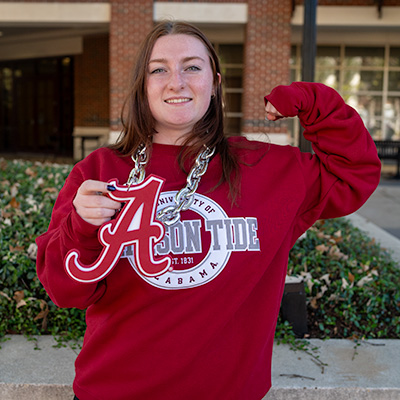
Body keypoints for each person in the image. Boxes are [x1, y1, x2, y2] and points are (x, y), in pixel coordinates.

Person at [36, 20, 381, 400]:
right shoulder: (100, 173)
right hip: (112, 392)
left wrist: (314, 102)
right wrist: (81, 227)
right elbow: (64, 289)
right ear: (143, 86)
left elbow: (353, 174)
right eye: (158, 70)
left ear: (215, 83)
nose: (176, 82)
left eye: (192, 67)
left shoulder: (265, 170)